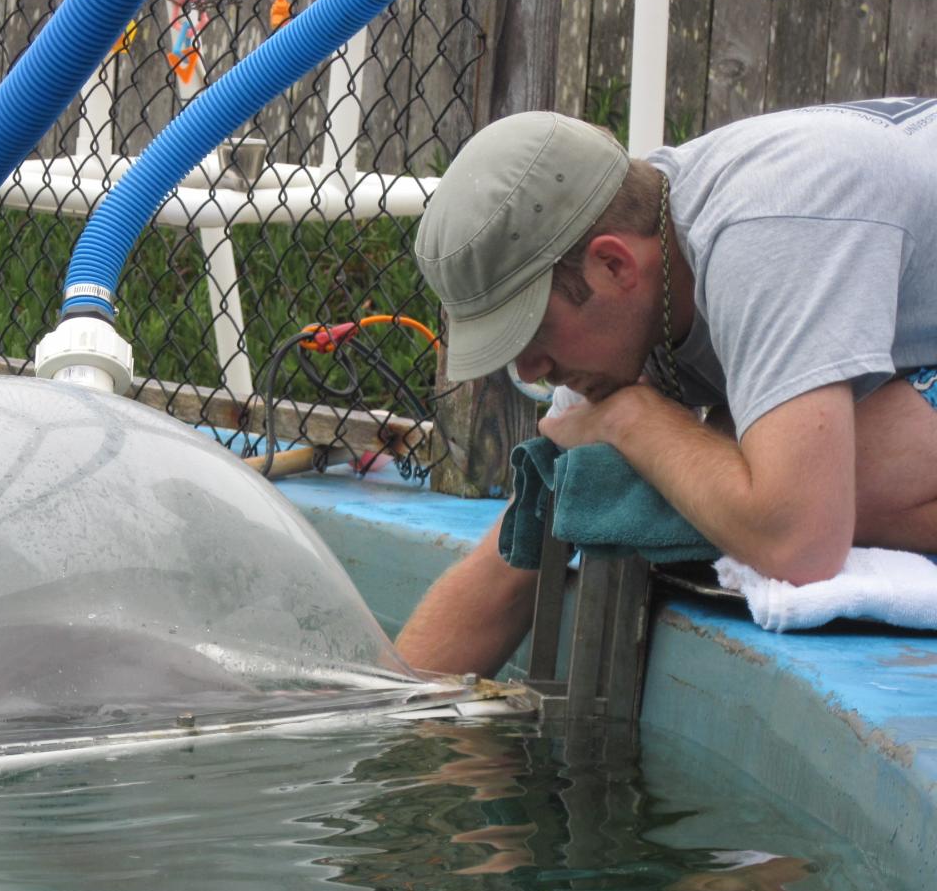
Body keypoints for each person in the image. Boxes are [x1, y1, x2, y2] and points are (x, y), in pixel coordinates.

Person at [397, 100, 937, 677]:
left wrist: (634, 420)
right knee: (722, 461)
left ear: (614, 265)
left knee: (809, 473)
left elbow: (800, 543)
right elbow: (512, 562)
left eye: (530, 331)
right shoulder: (630, 278)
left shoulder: (765, 227)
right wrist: (385, 732)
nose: (528, 371)